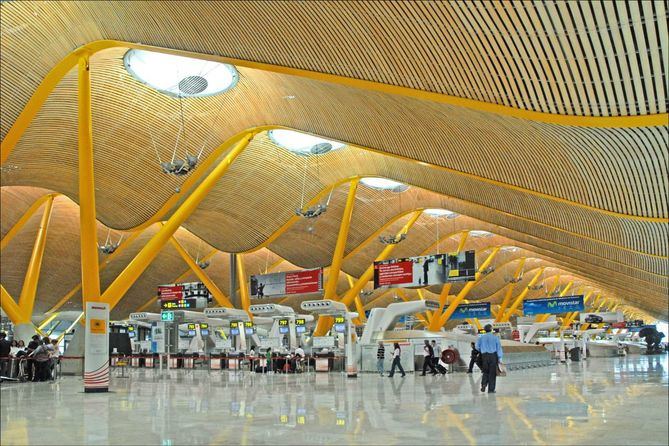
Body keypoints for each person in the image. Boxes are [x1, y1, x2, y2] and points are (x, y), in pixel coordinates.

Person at [475, 324, 503, 393]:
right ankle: (491, 389)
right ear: (491, 329)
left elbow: (476, 346)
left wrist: (481, 350)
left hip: (484, 356)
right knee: (492, 373)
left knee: (485, 371)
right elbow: (498, 348)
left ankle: (484, 384)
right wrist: (500, 358)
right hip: (493, 356)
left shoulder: (481, 338)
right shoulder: (495, 337)